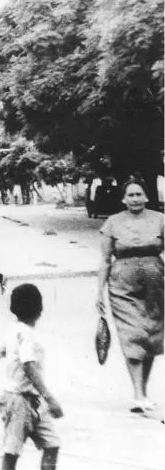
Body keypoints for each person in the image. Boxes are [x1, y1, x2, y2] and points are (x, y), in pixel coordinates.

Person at [0, 283, 62, 470]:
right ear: (40, 310)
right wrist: (50, 398)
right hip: (18, 401)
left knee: (51, 444)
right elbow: (29, 366)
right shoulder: (26, 335)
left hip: (32, 401)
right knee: (12, 451)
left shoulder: (12, 330)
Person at [95, 177, 164, 413]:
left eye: (139, 194)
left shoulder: (160, 219)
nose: (135, 199)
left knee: (152, 336)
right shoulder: (112, 223)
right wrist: (99, 292)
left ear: (146, 196)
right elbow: (104, 260)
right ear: (123, 199)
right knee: (132, 334)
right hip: (122, 285)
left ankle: (143, 391)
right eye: (131, 195)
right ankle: (137, 394)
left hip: (156, 283)